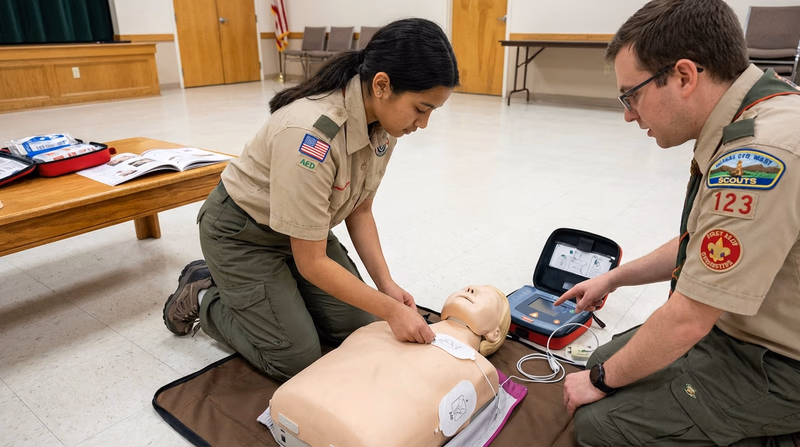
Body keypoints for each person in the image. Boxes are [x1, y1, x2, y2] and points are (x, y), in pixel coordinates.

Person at [552, 1, 800, 445]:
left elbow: (689, 319)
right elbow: (707, 246)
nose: (629, 114)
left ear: (684, 76)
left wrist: (603, 382)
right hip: (737, 326)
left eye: (632, 95)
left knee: (599, 424)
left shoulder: (760, 157)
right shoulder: (755, 111)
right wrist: (615, 278)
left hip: (779, 366)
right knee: (601, 362)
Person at [162, 18, 459, 382]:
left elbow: (360, 209)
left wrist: (387, 287)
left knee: (359, 327)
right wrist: (390, 310)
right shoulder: (310, 136)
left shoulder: (384, 123)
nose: (423, 123)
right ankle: (205, 294)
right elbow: (313, 262)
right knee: (295, 358)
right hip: (242, 234)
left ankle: (278, 296)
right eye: (421, 108)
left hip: (303, 233)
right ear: (381, 85)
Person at [268, 285, 511, 447]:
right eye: (469, 286)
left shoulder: (481, 370)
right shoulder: (385, 326)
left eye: (483, 293)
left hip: (355, 431)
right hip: (302, 401)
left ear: (495, 332)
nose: (469, 288)